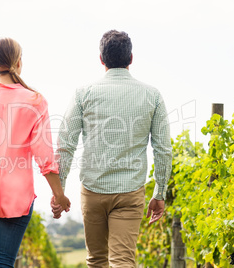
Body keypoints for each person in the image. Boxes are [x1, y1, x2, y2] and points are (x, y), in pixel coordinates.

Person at [51, 30, 172, 267]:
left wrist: (60, 190)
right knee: (123, 261)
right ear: (131, 58)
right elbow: (163, 149)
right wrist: (160, 192)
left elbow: (65, 144)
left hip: (93, 191)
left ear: (101, 59)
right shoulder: (153, 95)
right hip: (130, 192)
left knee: (96, 261)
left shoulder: (83, 94)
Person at [0, 37, 71, 268]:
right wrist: (59, 195)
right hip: (17, 197)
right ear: (19, 62)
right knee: (2, 262)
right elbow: (44, 157)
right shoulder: (35, 101)